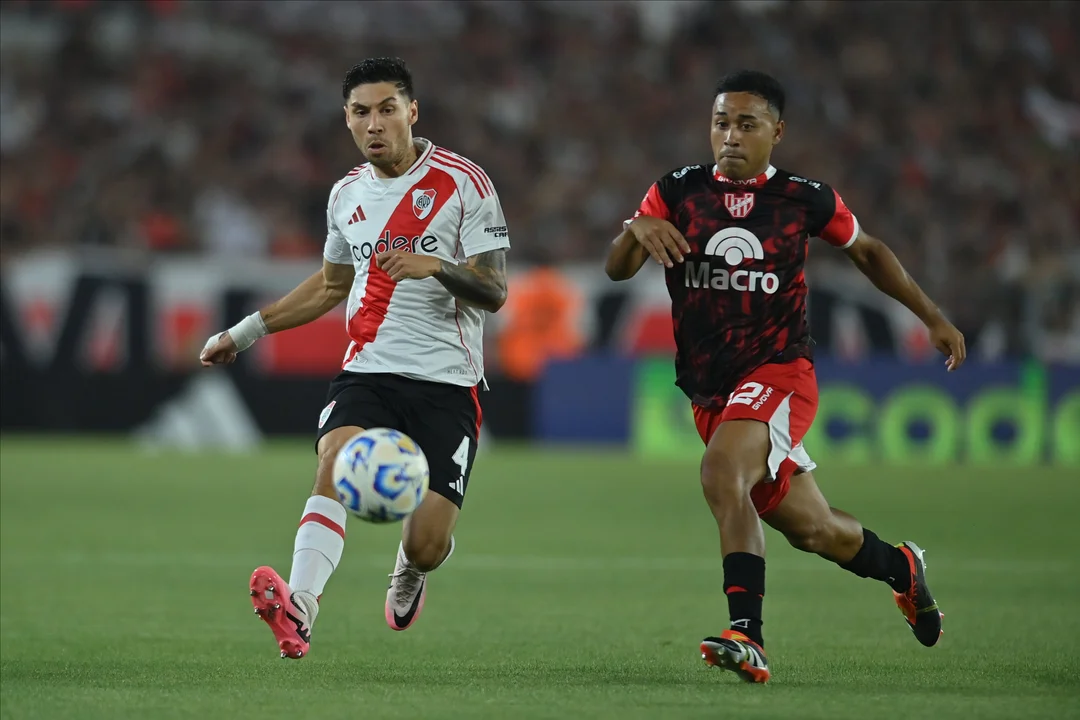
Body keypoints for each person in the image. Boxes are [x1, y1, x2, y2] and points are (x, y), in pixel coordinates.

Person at [605, 70, 965, 683]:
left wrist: (929, 316)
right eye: (722, 122)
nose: (731, 136)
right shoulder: (677, 190)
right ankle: (903, 568)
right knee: (815, 531)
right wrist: (634, 229)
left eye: (747, 124)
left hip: (779, 372)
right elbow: (617, 269)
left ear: (778, 130)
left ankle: (747, 635)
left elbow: (869, 251)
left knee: (722, 474)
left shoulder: (805, 198)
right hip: (710, 390)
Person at [199, 57, 510, 659]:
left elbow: (495, 292)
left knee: (426, 543)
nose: (375, 124)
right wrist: (241, 334)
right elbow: (329, 285)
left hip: (448, 382)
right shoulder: (346, 195)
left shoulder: (464, 182)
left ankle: (411, 567)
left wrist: (436, 266)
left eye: (387, 109)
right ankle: (302, 607)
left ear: (412, 112)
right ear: (346, 119)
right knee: (334, 460)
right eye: (361, 112)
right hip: (368, 370)